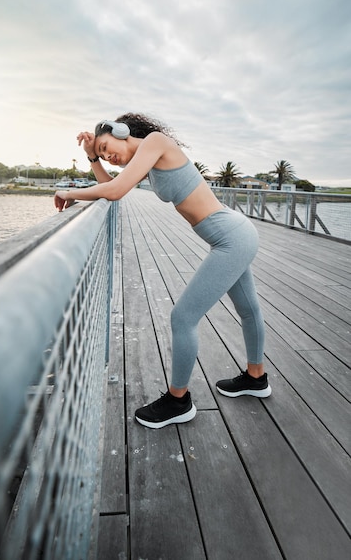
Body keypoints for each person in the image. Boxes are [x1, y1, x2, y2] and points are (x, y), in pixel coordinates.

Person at [54, 113, 272, 429]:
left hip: (231, 237)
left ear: (121, 131)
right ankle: (256, 378)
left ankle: (178, 400)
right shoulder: (147, 160)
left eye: (106, 147)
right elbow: (111, 185)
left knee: (183, 317)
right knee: (249, 310)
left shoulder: (156, 142)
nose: (108, 157)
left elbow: (114, 191)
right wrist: (91, 156)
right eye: (102, 155)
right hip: (231, 236)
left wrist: (68, 192)